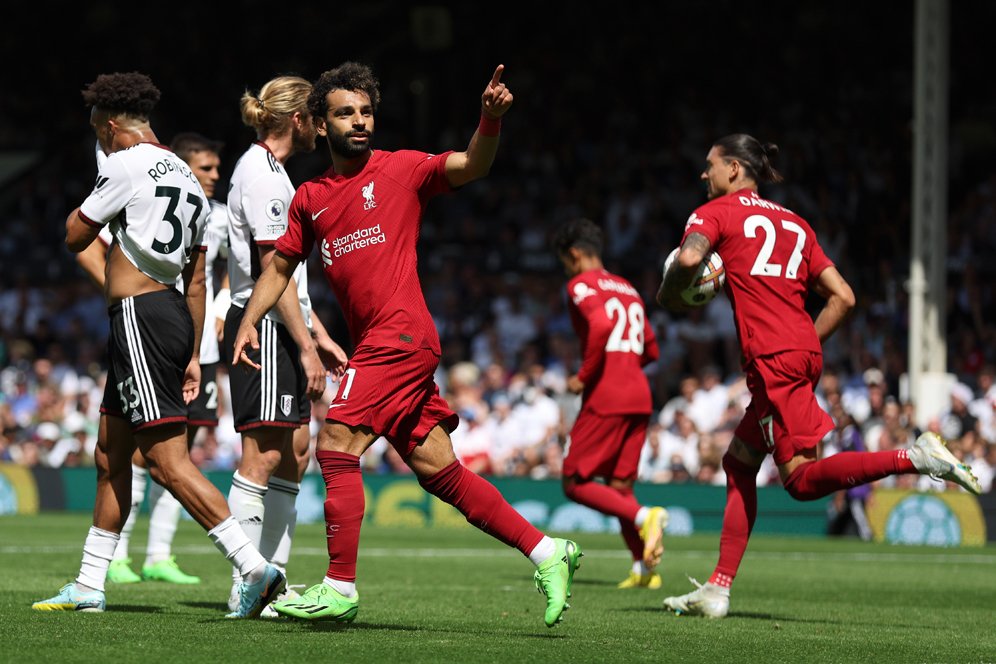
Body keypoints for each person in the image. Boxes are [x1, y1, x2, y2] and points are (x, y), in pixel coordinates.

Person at [230, 62, 582, 628]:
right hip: (380, 342)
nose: (360, 121)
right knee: (439, 470)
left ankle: (339, 587)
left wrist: (488, 120)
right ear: (320, 124)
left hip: (401, 336)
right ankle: (548, 551)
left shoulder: (401, 169)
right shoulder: (309, 198)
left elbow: (472, 165)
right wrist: (250, 320)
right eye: (346, 113)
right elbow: (279, 267)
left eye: (367, 111)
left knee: (337, 441)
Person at [655, 133, 982, 618]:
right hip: (802, 352)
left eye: (710, 165)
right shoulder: (796, 223)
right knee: (740, 463)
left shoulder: (715, 213)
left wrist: (669, 293)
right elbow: (844, 297)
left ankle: (913, 457)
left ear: (733, 169)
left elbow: (686, 261)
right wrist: (802, 340)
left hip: (771, 359)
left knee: (801, 482)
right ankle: (718, 588)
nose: (704, 174)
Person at [31, 72, 284, 618]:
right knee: (109, 452)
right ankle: (90, 585)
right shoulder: (190, 181)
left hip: (139, 318)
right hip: (168, 316)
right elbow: (196, 282)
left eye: (101, 132)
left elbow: (77, 236)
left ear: (115, 125)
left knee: (167, 462)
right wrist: (192, 352)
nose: (100, 141)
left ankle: (253, 567)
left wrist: (85, 207)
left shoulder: (123, 164)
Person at [76, 132, 229, 586]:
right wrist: (120, 285)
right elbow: (90, 244)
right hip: (166, 330)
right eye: (206, 168)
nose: (214, 176)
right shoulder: (154, 192)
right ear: (182, 166)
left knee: (168, 458)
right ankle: (99, 574)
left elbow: (212, 279)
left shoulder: (205, 210)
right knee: (126, 454)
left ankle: (223, 562)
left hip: (172, 335)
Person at [223, 75, 347, 614]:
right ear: (298, 120)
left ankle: (276, 581)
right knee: (264, 453)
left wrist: (319, 331)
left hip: (286, 320)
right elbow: (273, 273)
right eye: (318, 116)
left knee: (294, 454)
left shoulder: (275, 173)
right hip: (266, 324)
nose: (324, 127)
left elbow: (291, 275)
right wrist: (305, 345)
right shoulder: (264, 177)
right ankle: (246, 584)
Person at [551, 218, 668, 589]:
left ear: (573, 255)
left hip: (608, 393)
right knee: (619, 486)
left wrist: (584, 375)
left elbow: (600, 325)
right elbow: (651, 348)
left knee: (574, 481)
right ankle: (644, 570)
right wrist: (626, 365)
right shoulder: (628, 288)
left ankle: (645, 516)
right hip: (639, 394)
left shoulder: (580, 284)